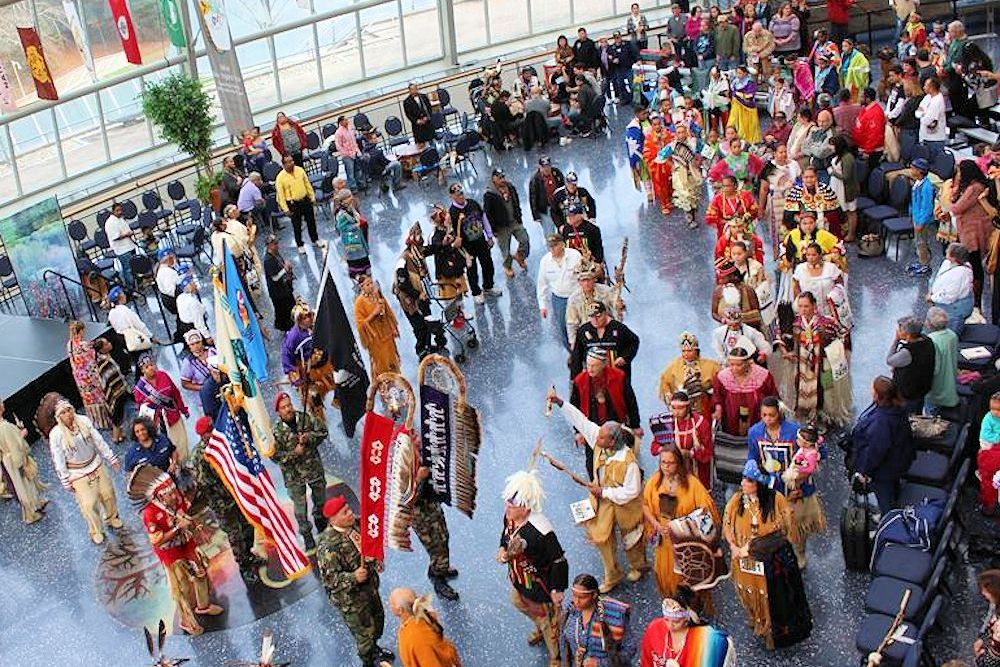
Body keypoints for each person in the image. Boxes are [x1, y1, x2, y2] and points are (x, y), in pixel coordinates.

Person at [723, 459, 810, 650]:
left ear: (759, 485)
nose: (743, 483)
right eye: (743, 479)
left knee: (770, 598)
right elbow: (727, 525)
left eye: (749, 481)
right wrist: (733, 547)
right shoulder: (736, 501)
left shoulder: (776, 499)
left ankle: (771, 631)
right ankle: (755, 617)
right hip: (743, 560)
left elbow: (785, 526)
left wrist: (759, 543)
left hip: (770, 562)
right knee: (748, 593)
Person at [129, 464, 224, 635]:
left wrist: (196, 526)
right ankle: (186, 621)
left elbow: (185, 511)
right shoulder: (150, 513)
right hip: (170, 554)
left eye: (174, 491)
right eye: (169, 494)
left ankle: (203, 606)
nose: (174, 496)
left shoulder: (177, 497)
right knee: (182, 589)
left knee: (200, 572)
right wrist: (176, 528)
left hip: (187, 543)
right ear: (159, 496)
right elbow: (157, 541)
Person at [498, 470, 569, 667]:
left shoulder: (542, 531)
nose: (507, 507)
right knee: (517, 602)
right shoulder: (510, 517)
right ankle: (539, 625)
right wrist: (502, 548)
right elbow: (505, 535)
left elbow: (559, 561)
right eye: (508, 502)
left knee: (549, 623)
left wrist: (557, 590)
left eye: (512, 504)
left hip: (541, 585)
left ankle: (556, 657)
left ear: (526, 506)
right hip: (518, 578)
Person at [317, 495, 394, 667]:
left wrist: (377, 558)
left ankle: (375, 649)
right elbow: (330, 580)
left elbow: (371, 541)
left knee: (378, 621)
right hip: (351, 600)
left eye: (349, 509)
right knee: (364, 636)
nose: (351, 514)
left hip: (370, 588)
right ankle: (368, 661)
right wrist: (353, 577)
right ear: (333, 519)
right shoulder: (328, 546)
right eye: (345, 513)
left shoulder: (357, 525)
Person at [641, 442, 719, 602]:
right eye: (663, 462)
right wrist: (656, 525)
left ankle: (689, 605)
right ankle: (671, 604)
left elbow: (706, 511)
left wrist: (682, 525)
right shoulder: (654, 481)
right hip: (664, 539)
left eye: (670, 463)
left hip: (685, 540)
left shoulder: (692, 484)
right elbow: (645, 505)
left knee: (685, 575)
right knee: (664, 573)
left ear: (679, 463)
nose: (666, 466)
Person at [189, 415, 261, 585]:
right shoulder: (200, 456)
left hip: (238, 495)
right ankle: (244, 566)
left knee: (248, 526)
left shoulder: (223, 443)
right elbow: (204, 484)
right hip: (222, 503)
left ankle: (249, 555)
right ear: (202, 436)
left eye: (212, 430)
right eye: (208, 433)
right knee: (235, 535)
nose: (211, 434)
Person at [48, 399, 123, 544]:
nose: (67, 414)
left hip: (95, 463)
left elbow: (98, 440)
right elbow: (58, 458)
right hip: (77, 472)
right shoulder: (56, 434)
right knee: (89, 503)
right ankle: (96, 530)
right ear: (58, 417)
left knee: (108, 493)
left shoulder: (83, 421)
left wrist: (110, 457)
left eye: (68, 410)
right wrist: (65, 479)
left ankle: (112, 517)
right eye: (63, 413)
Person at [778, 291, 853, 426]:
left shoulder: (827, 323)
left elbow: (843, 336)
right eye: (800, 306)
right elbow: (781, 337)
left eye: (806, 306)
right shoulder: (794, 323)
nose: (803, 310)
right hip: (801, 364)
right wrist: (786, 352)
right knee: (801, 388)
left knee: (825, 389)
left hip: (823, 364)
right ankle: (805, 411)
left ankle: (823, 415)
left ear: (814, 305)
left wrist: (835, 353)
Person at [567, 350, 642, 478]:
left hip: (616, 426)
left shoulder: (619, 377)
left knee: (622, 459)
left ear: (604, 364)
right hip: (592, 427)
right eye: (588, 364)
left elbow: (631, 402)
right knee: (593, 463)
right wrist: (578, 431)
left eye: (594, 365)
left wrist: (635, 425)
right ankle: (596, 488)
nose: (590, 368)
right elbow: (574, 408)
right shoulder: (580, 381)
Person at [850, 376, 915, 514]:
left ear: (878, 395)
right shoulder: (898, 409)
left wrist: (864, 471)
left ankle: (888, 525)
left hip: (885, 470)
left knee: (885, 500)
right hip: (899, 460)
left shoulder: (881, 422)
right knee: (894, 490)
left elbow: (876, 451)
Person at [272, 392, 328, 552]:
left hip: (313, 468)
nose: (288, 409)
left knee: (320, 500)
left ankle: (321, 523)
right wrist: (293, 453)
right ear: (278, 411)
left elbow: (323, 432)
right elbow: (275, 456)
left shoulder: (305, 418)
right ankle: (306, 534)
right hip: (294, 476)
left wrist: (309, 438)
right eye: (283, 407)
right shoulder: (275, 432)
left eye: (289, 405)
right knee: (300, 509)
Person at [640, 587, 736, 667]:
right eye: (666, 620)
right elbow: (646, 661)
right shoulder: (654, 629)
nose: (670, 625)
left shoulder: (706, 641)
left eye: (676, 621)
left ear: (687, 619)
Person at [394, 223, 446, 358]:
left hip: (422, 295)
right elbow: (402, 284)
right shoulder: (403, 260)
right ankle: (421, 350)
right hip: (409, 299)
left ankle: (428, 345)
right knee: (419, 326)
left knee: (427, 319)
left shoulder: (418, 252)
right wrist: (417, 294)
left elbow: (431, 249)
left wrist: (443, 244)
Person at [562, 573, 636, 666]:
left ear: (594, 595)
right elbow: (565, 645)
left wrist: (600, 663)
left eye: (582, 597)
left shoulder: (615, 615)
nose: (576, 601)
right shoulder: (570, 613)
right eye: (574, 595)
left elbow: (630, 648)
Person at [952, 160, 995, 310]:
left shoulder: (975, 188)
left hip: (974, 232)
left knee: (975, 265)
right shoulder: (969, 187)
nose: (957, 175)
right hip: (967, 230)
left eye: (959, 172)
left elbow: (956, 208)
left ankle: (977, 302)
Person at [448, 183, 501, 305]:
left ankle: (488, 286)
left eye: (462, 193)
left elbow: (483, 218)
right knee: (472, 270)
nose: (461, 196)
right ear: (452, 196)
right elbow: (452, 232)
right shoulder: (452, 212)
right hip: (467, 246)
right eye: (458, 195)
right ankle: (476, 292)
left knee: (488, 264)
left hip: (480, 241)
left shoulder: (472, 203)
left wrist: (489, 235)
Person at [134, 354, 191, 461]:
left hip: (172, 415)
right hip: (158, 423)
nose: (151, 368)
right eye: (147, 367)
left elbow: (175, 393)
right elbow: (140, 409)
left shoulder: (163, 375)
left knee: (181, 441)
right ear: (142, 370)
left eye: (152, 365)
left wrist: (183, 409)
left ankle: (184, 462)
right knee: (166, 445)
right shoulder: (139, 389)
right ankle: (173, 464)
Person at [67, 319, 118, 437]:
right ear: (81, 331)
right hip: (90, 376)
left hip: (80, 378)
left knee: (89, 399)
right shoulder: (84, 345)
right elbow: (93, 358)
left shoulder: (69, 344)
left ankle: (96, 421)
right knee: (99, 396)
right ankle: (106, 420)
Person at [713, 347, 779, 438]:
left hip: (756, 416)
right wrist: (718, 408)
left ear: (747, 363)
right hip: (731, 419)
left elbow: (772, 395)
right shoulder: (722, 376)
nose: (734, 368)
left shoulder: (762, 375)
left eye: (739, 365)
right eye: (731, 364)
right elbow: (717, 396)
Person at [0, 397, 46, 524]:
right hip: (15, 460)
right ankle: (30, 513)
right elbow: (14, 446)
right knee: (23, 484)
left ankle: (36, 503)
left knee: (25, 483)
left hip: (7, 460)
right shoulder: (5, 427)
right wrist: (22, 435)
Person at [389, 587, 462, 667]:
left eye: (391, 604)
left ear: (400, 610)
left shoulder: (414, 637)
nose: (389, 606)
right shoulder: (423, 617)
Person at [569, 301, 640, 379]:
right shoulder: (583, 331)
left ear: (605, 314)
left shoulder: (619, 328)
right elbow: (576, 357)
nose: (595, 320)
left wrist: (625, 357)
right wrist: (575, 380)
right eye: (591, 317)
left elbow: (634, 341)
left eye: (598, 316)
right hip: (593, 377)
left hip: (616, 376)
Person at [537, 234, 583, 351]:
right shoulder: (545, 261)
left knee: (582, 323)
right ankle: (572, 352)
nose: (552, 249)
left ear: (562, 244)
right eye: (550, 246)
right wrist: (543, 306)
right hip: (560, 298)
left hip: (577, 296)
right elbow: (542, 284)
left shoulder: (575, 255)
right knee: (564, 326)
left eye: (555, 245)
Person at [659, 333, 720, 419]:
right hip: (681, 407)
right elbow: (665, 382)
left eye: (689, 351)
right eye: (683, 351)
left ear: (696, 351)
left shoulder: (711, 366)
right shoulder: (674, 365)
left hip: (703, 406)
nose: (686, 354)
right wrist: (669, 395)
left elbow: (718, 387)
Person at [482, 168, 529, 279]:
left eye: (503, 177)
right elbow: (488, 214)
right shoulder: (489, 194)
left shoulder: (510, 187)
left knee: (525, 239)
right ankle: (507, 266)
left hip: (514, 221)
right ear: (494, 178)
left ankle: (520, 256)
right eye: (499, 177)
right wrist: (492, 230)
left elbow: (516, 202)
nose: (502, 179)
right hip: (501, 227)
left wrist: (519, 216)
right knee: (505, 250)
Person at [353, 274, 401, 379]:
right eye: (367, 284)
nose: (371, 286)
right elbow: (360, 324)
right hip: (375, 339)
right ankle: (383, 384)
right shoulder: (359, 303)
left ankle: (397, 380)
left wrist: (393, 328)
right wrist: (373, 314)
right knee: (380, 363)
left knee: (392, 358)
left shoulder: (377, 294)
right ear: (362, 287)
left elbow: (388, 312)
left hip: (387, 334)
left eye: (371, 283)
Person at [887, 315, 937, 414]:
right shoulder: (928, 341)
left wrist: (896, 340)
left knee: (907, 419)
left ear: (908, 335)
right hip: (922, 389)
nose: (898, 331)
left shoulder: (908, 351)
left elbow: (890, 360)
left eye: (900, 330)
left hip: (908, 393)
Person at [275, 154, 322, 254]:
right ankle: (300, 244)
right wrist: (285, 209)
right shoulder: (280, 178)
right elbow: (280, 195)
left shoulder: (300, 170)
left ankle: (315, 239)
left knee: (311, 221)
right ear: (283, 164)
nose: (291, 163)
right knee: (297, 225)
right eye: (288, 162)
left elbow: (307, 184)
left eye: (292, 161)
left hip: (305, 200)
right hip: (293, 204)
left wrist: (312, 197)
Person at [566, 263, 621, 347]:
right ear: (579, 282)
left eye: (589, 280)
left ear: (594, 279)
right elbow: (572, 323)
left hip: (607, 331)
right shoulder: (574, 299)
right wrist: (573, 342)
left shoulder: (606, 291)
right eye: (583, 281)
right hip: (587, 334)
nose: (586, 283)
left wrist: (618, 305)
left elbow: (616, 307)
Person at [928, 242, 975, 334]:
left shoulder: (960, 274)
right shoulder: (947, 262)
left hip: (954, 309)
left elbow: (949, 296)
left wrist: (932, 297)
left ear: (954, 257)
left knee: (952, 332)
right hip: (943, 301)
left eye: (948, 251)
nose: (946, 251)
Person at [924, 307, 960, 416]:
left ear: (930, 324)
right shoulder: (952, 335)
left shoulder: (931, 340)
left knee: (931, 414)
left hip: (936, 388)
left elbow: (934, 368)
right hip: (951, 383)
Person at [906, 157, 938, 275]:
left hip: (922, 221)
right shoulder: (917, 184)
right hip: (916, 217)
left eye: (913, 168)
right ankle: (921, 261)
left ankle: (925, 265)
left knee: (922, 242)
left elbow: (927, 207)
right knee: (918, 242)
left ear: (920, 171)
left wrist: (920, 222)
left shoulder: (926, 187)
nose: (911, 170)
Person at [334, 189, 371, 279]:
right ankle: (356, 273)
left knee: (361, 253)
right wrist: (356, 226)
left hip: (357, 235)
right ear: (343, 200)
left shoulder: (350, 207)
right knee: (354, 255)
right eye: (348, 197)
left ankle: (365, 269)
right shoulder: (341, 214)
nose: (351, 198)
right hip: (350, 238)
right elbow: (341, 228)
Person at [559, 204, 605, 275]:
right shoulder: (566, 230)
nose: (570, 218)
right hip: (571, 265)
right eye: (569, 215)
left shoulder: (592, 229)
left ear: (580, 215)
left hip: (588, 263)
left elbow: (598, 248)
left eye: (573, 215)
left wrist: (597, 263)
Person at [643, 112, 675, 216]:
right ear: (652, 125)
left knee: (669, 183)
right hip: (657, 166)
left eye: (658, 124)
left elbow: (672, 145)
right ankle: (663, 204)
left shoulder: (666, 133)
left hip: (667, 164)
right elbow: (646, 152)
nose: (657, 126)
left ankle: (669, 200)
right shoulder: (649, 137)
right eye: (654, 124)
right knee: (660, 186)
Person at [263, 234, 296, 332]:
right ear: (269, 246)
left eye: (277, 243)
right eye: (275, 244)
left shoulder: (275, 253)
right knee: (284, 310)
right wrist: (285, 269)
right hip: (278, 292)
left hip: (284, 288)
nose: (277, 245)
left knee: (289, 306)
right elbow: (275, 277)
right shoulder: (268, 260)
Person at [104, 201, 138, 290]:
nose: (120, 212)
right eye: (117, 210)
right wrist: (126, 234)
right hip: (122, 250)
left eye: (120, 210)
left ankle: (137, 285)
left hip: (130, 246)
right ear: (113, 211)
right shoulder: (110, 223)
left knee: (134, 268)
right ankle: (130, 289)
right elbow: (115, 237)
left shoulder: (121, 219)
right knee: (128, 270)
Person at [528, 156, 566, 233]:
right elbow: (533, 198)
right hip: (545, 209)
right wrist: (535, 215)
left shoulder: (557, 173)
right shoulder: (535, 179)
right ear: (540, 167)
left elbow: (563, 187)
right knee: (550, 234)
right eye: (544, 166)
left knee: (563, 229)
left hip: (559, 206)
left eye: (548, 166)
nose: (547, 168)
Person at [727, 65, 761, 144]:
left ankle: (749, 140)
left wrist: (739, 94)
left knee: (748, 124)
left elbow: (750, 95)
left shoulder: (750, 82)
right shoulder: (735, 81)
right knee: (736, 122)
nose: (738, 75)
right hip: (737, 106)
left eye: (740, 73)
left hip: (747, 107)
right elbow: (732, 92)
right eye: (737, 73)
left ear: (745, 73)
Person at [626, 105, 654, 203]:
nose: (645, 115)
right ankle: (649, 192)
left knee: (656, 172)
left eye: (646, 113)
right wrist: (643, 153)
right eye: (643, 114)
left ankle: (658, 190)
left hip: (654, 151)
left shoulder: (650, 120)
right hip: (643, 154)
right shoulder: (634, 127)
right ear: (637, 114)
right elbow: (634, 142)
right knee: (645, 173)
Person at [916, 77, 947, 155]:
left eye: (925, 85)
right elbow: (918, 112)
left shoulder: (937, 101)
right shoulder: (927, 97)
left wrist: (923, 115)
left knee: (933, 165)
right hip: (924, 137)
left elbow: (927, 120)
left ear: (932, 87)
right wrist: (923, 114)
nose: (923, 87)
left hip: (935, 140)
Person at [333, 116, 362, 190]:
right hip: (347, 156)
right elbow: (338, 146)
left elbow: (353, 141)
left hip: (354, 152)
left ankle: (360, 184)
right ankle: (353, 187)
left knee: (357, 170)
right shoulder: (338, 133)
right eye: (345, 120)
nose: (347, 121)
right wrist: (347, 154)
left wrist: (357, 150)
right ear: (341, 122)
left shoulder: (350, 129)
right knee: (350, 173)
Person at [403, 83, 434, 148]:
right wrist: (416, 121)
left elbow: (429, 108)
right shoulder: (406, 102)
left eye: (415, 89)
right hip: (417, 126)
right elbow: (408, 114)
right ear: (409, 91)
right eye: (412, 89)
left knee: (432, 142)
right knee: (421, 145)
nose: (414, 91)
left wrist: (427, 117)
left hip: (427, 123)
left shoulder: (423, 97)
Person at [155, 247, 181, 317]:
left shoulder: (162, 269)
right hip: (175, 301)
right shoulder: (167, 272)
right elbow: (172, 291)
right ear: (169, 259)